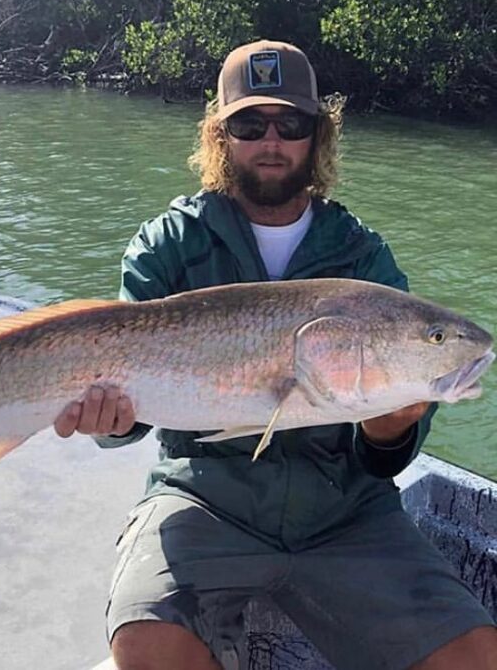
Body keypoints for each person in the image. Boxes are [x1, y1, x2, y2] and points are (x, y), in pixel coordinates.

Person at [54, 40, 497, 670]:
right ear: (220, 136)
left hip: (346, 511)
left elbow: (386, 454)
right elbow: (133, 416)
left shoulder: (363, 257)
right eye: (248, 124)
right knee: (144, 643)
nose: (271, 140)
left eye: (292, 124)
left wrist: (393, 427)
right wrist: (112, 420)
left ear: (318, 136)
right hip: (203, 496)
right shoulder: (167, 245)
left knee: (475, 654)